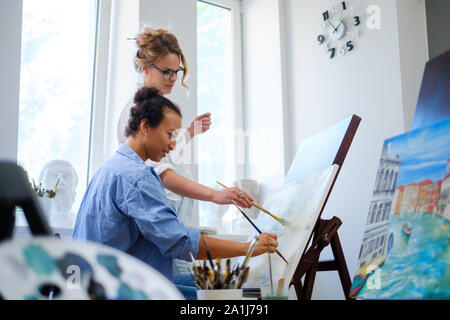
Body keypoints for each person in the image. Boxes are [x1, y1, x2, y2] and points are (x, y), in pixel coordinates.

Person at [72, 87, 278, 299]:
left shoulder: (110, 168)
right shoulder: (136, 176)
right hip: (113, 290)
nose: (172, 145)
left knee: (207, 283)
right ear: (145, 126)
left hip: (94, 283)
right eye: (170, 135)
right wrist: (249, 248)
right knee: (239, 298)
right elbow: (180, 242)